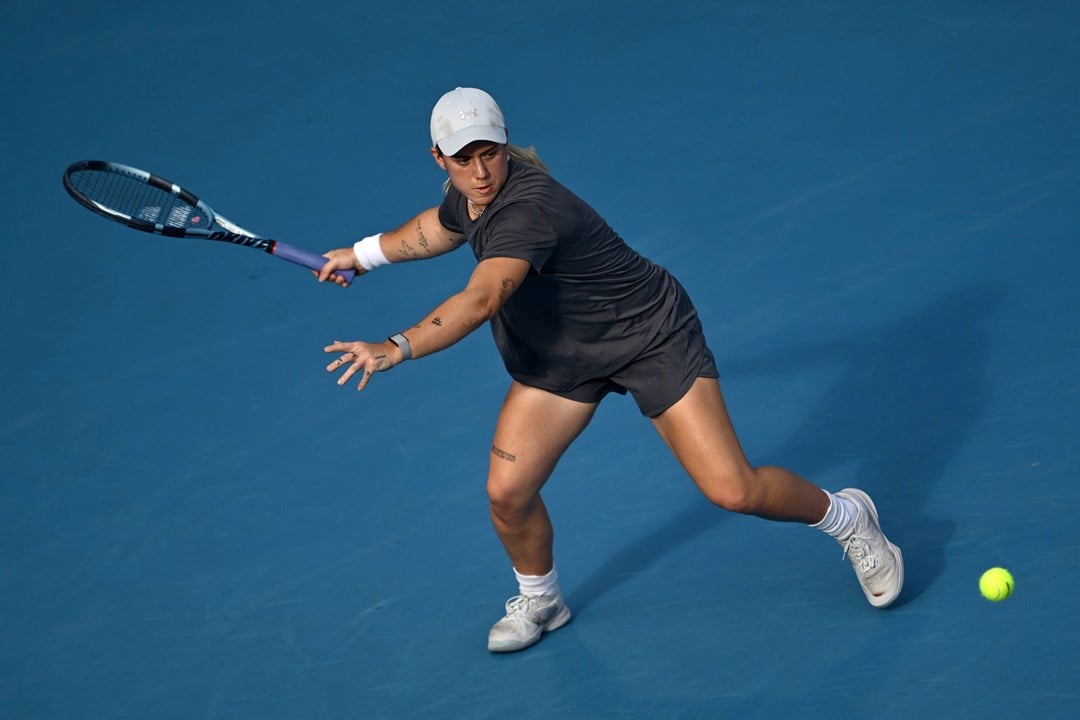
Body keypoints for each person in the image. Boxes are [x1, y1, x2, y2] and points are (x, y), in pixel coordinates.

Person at [315, 87, 904, 653]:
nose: (480, 172)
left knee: (733, 490)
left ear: (505, 142)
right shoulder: (468, 195)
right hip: (562, 356)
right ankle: (542, 599)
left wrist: (396, 346)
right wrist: (362, 255)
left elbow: (482, 299)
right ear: (439, 159)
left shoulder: (527, 210)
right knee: (508, 493)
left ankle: (849, 517)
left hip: (649, 337)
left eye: (489, 153)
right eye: (463, 160)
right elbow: (435, 229)